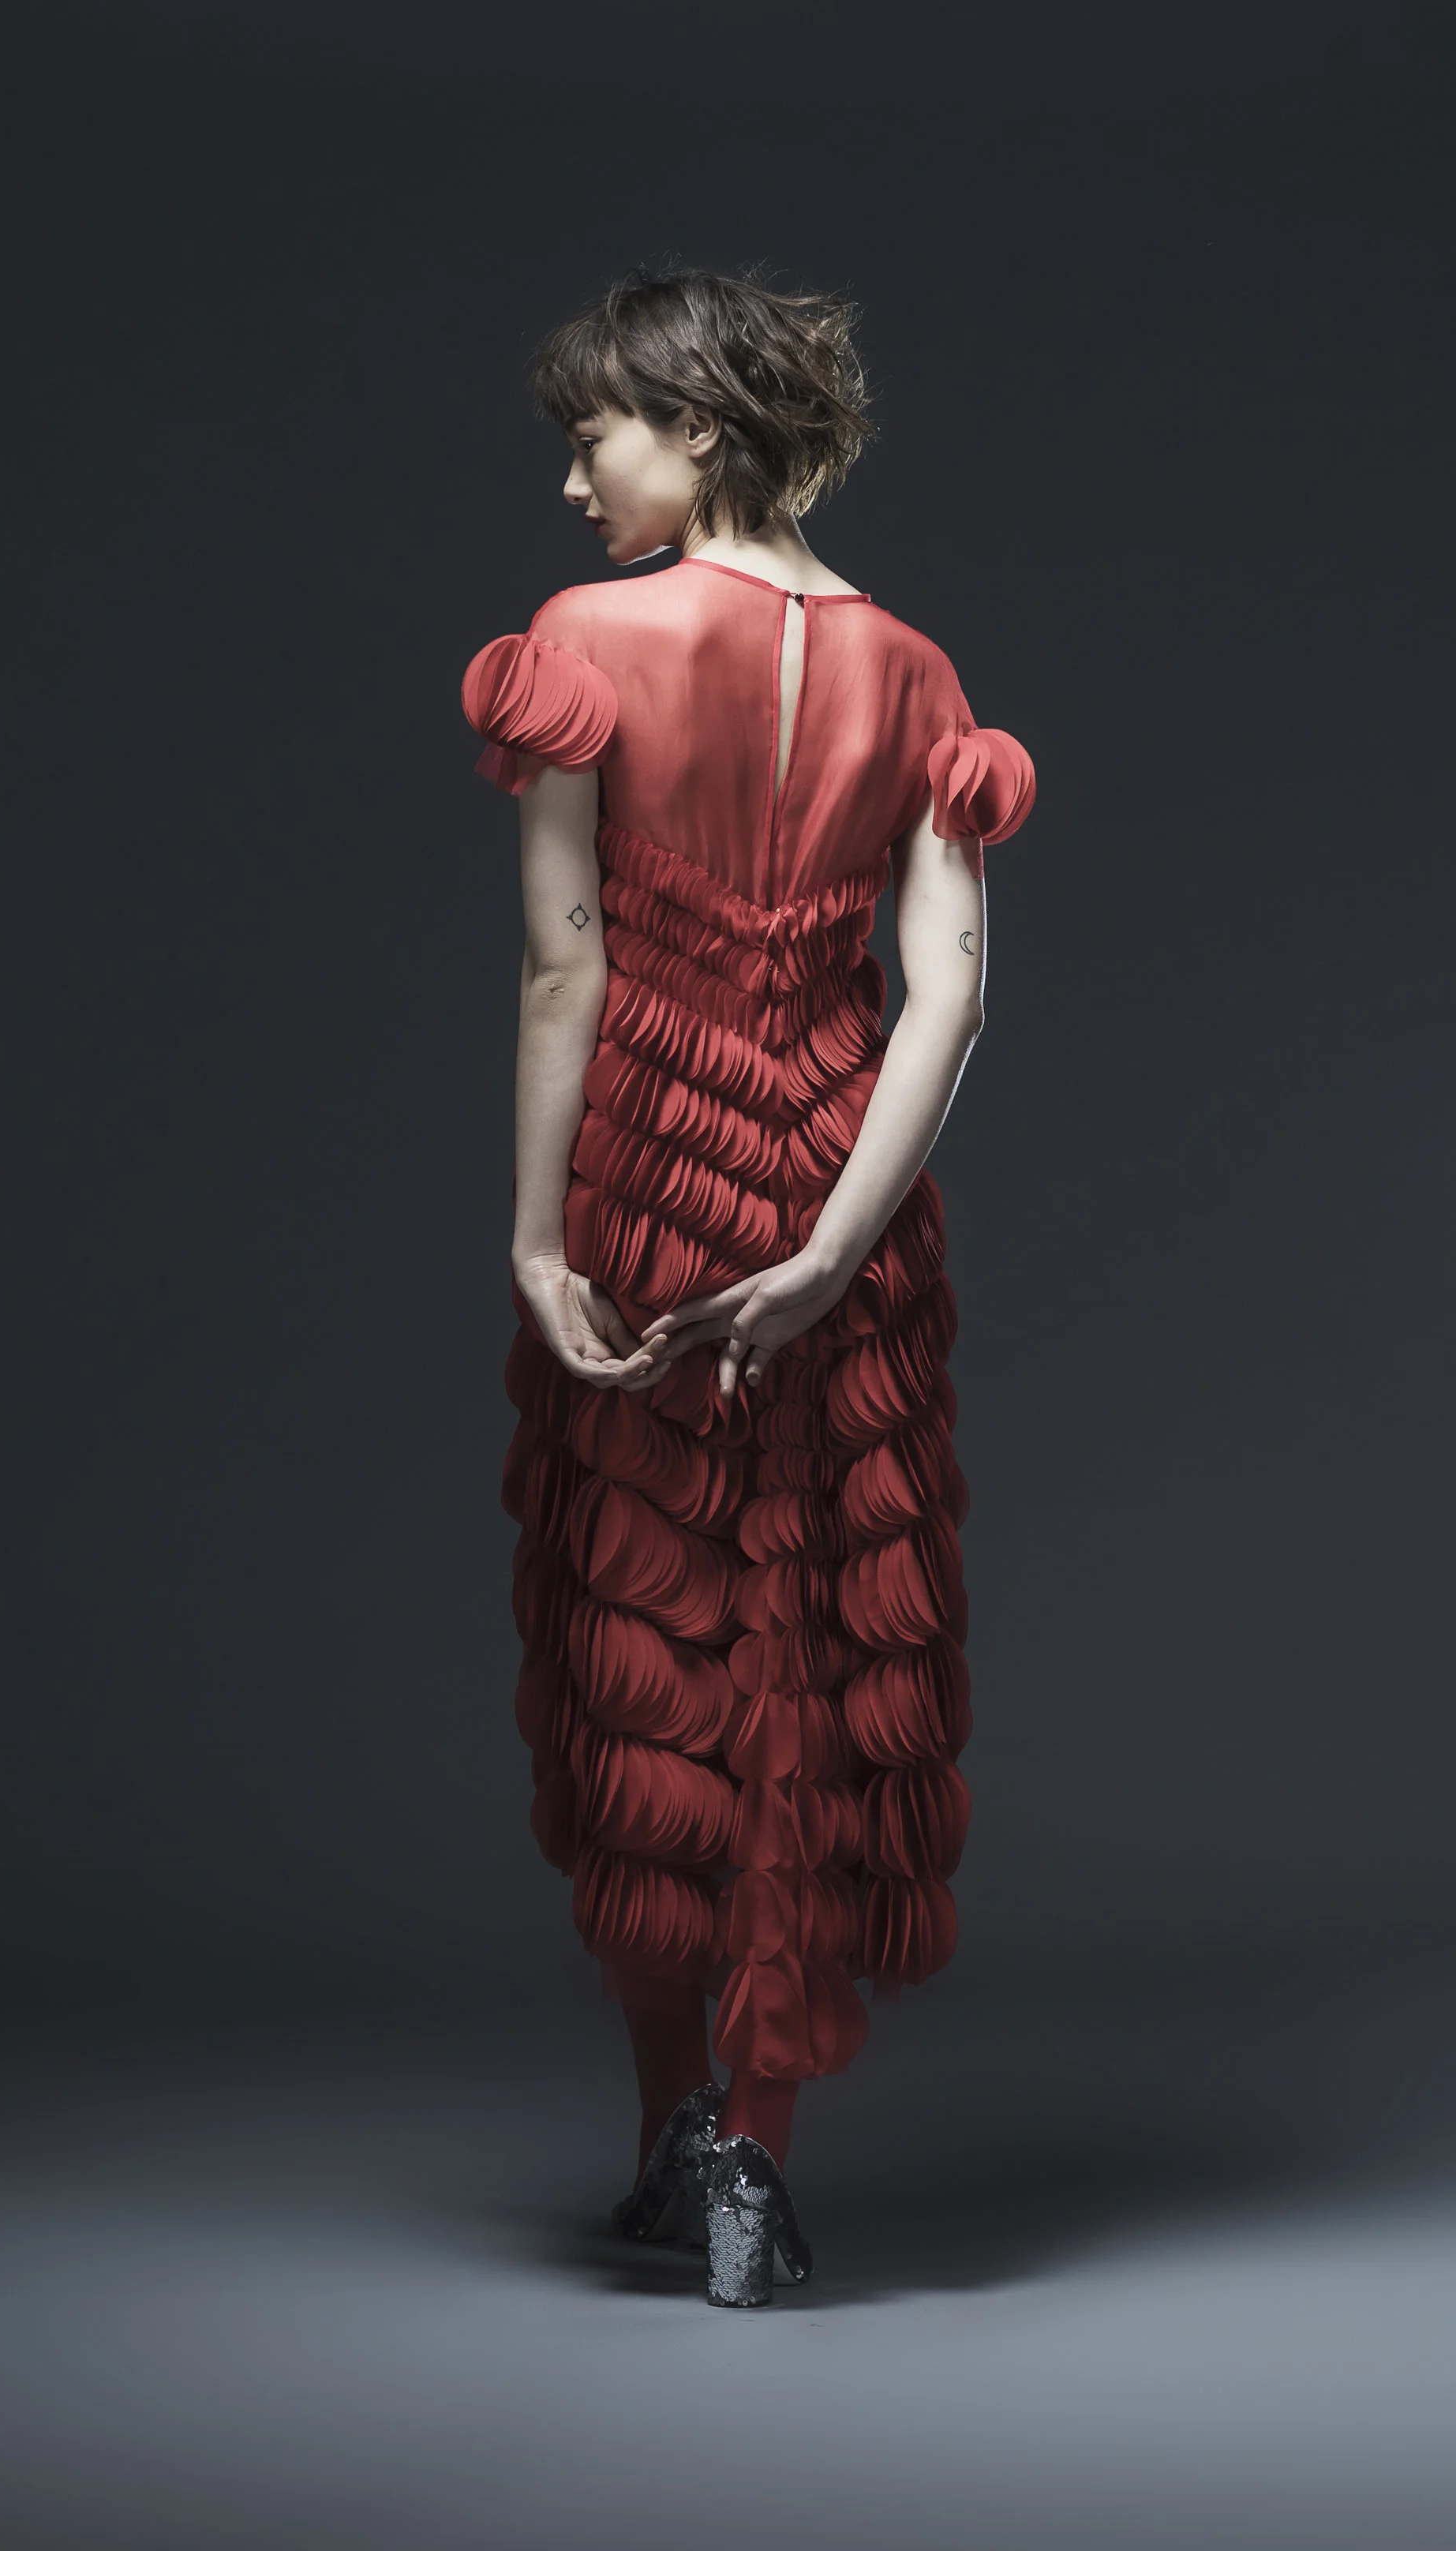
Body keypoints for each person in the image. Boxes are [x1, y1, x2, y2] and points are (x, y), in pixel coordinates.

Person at [460, 268, 1034, 2306]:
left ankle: (663, 2141)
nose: (571, 479)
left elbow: (566, 967)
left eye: (594, 433)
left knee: (647, 1653)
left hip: (645, 1178)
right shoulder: (918, 671)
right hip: (835, 1193)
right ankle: (749, 2156)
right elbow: (948, 993)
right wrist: (828, 1253)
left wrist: (540, 1237)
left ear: (698, 425)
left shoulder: (582, 642)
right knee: (806, 1652)